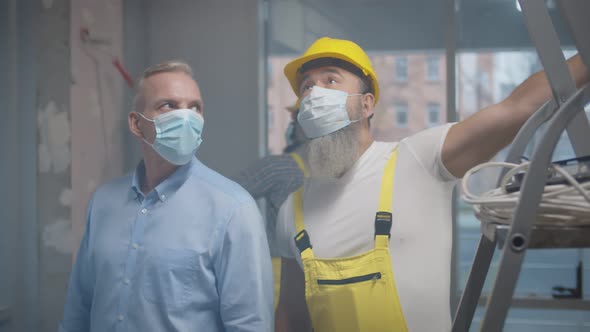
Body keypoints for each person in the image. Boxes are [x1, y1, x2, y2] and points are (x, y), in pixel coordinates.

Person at [274, 37, 589, 331]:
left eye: (330, 80)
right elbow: (291, 315)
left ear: (366, 104)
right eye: (306, 87)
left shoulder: (417, 160)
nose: (315, 94)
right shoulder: (292, 210)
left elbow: (517, 107)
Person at [60, 61, 274, 332]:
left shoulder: (233, 209)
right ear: (137, 124)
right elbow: (79, 308)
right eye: (168, 106)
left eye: (195, 107)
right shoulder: (103, 202)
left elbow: (249, 325)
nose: (186, 117)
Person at [232, 103, 309, 324]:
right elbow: (225, 198)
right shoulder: (279, 169)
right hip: (281, 279)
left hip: (324, 279)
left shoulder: (340, 173)